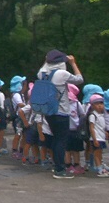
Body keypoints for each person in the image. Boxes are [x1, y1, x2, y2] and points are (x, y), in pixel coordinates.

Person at [34, 49, 83, 179]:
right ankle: (60, 169)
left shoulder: (42, 73)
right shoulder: (62, 73)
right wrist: (73, 63)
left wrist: (47, 59)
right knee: (61, 141)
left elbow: (44, 66)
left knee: (56, 139)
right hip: (61, 112)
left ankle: (57, 166)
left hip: (48, 111)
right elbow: (79, 79)